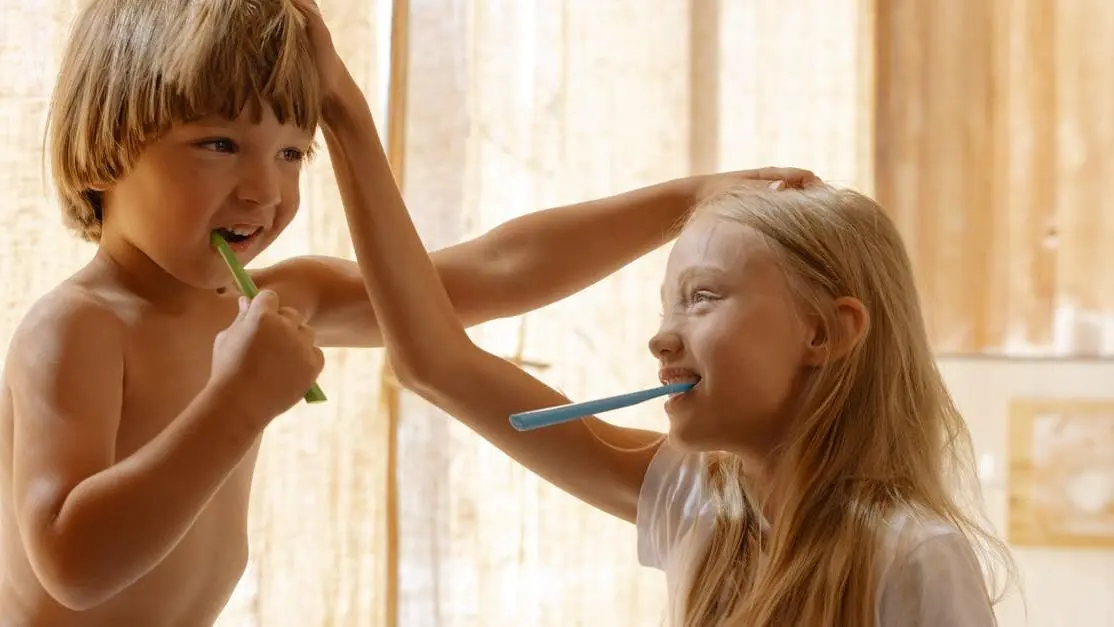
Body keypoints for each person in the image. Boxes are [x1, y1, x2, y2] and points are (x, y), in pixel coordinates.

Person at [0, 1, 781, 625]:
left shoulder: (271, 299)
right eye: (218, 144)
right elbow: (73, 565)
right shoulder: (76, 328)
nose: (263, 193)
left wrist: (685, 202)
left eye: (290, 152)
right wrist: (234, 404)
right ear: (108, 143)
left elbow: (490, 272)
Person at [326, 6, 1016, 625]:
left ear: (825, 331)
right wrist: (345, 117)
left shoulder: (914, 557)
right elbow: (433, 362)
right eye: (667, 304)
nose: (660, 337)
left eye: (703, 297)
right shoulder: (695, 500)